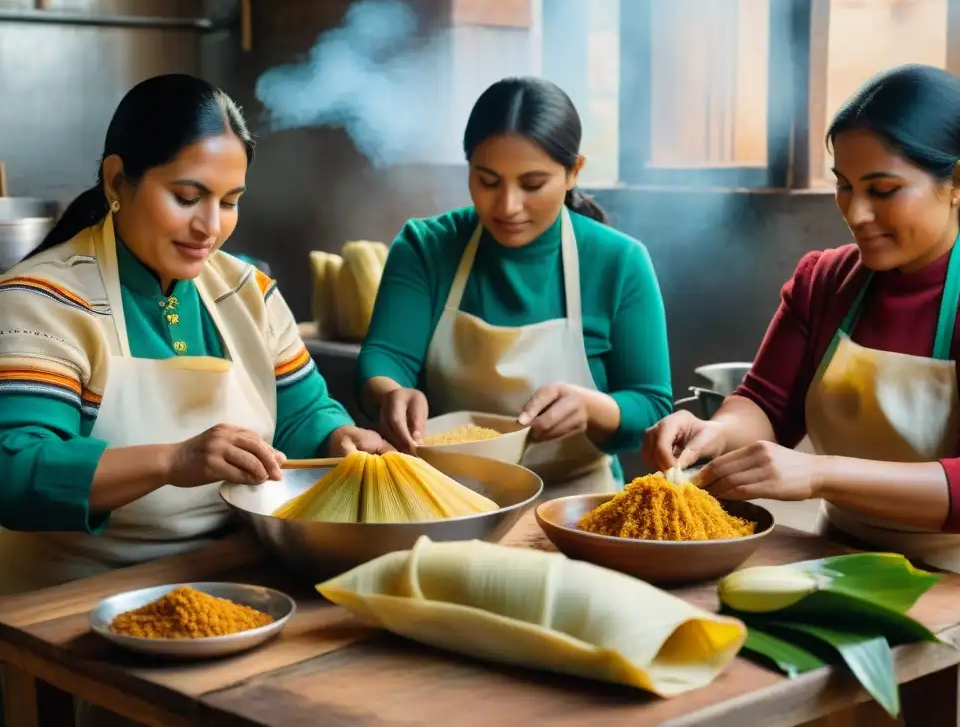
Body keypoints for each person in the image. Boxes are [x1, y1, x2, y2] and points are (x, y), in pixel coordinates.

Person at [0, 74, 388, 595]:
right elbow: (16, 470)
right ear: (116, 182)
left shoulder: (250, 293)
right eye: (188, 197)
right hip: (70, 598)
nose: (210, 226)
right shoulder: (41, 302)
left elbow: (301, 412)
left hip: (234, 575)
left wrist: (339, 438)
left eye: (229, 202)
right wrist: (171, 460)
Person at [644, 64, 960, 587]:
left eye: (883, 189)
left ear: (957, 181)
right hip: (840, 564)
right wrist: (718, 433)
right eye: (844, 186)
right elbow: (768, 403)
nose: (857, 213)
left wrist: (818, 474)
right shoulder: (824, 281)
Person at [358, 76, 673, 496]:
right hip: (447, 493)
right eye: (488, 181)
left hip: (577, 499)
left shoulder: (619, 261)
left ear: (573, 172)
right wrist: (390, 394)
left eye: (532, 184)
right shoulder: (426, 247)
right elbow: (385, 356)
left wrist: (594, 408)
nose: (507, 206)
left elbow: (651, 404)